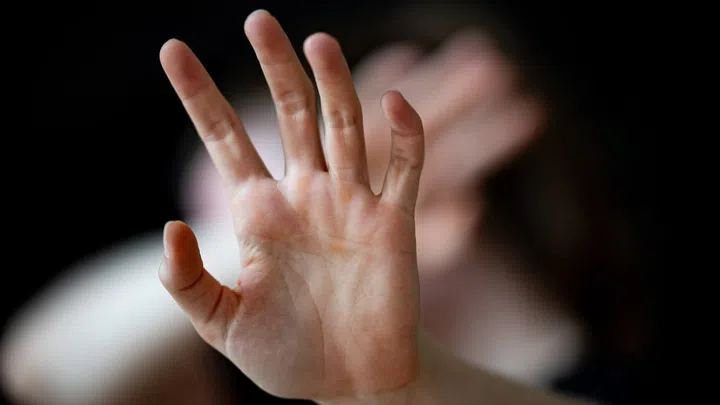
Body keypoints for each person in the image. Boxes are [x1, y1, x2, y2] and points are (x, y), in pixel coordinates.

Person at [1, 5, 651, 405]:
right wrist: (228, 249)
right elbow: (46, 377)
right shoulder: (284, 381)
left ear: (443, 200)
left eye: (282, 196)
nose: (252, 253)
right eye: (228, 225)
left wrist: (402, 390)